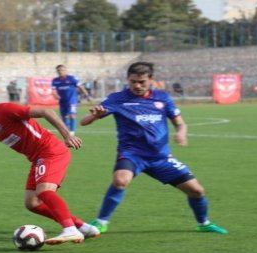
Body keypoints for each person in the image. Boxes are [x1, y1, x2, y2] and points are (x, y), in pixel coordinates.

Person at [80, 62, 228, 235]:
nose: (137, 85)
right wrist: (95, 116)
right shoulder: (117, 98)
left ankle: (204, 223)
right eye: (133, 81)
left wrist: (181, 133)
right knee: (120, 180)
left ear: (151, 80)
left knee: (196, 190)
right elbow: (84, 121)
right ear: (128, 80)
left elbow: (180, 124)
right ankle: (100, 222)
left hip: (161, 158)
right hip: (132, 154)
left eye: (142, 82)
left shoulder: (162, 98)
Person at [0, 84, 100, 245]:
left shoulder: (4, 109)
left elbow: (46, 111)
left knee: (44, 192)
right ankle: (84, 227)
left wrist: (67, 136)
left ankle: (70, 229)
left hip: (49, 151)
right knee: (32, 203)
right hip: (36, 158)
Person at [51, 64, 90, 136]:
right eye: (58, 70)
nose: (60, 71)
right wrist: (55, 95)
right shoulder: (55, 81)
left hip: (72, 100)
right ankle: (67, 130)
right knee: (64, 117)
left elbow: (80, 87)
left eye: (62, 70)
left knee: (72, 115)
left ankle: (72, 131)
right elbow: (53, 91)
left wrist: (87, 95)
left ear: (65, 71)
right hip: (62, 102)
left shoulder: (72, 78)